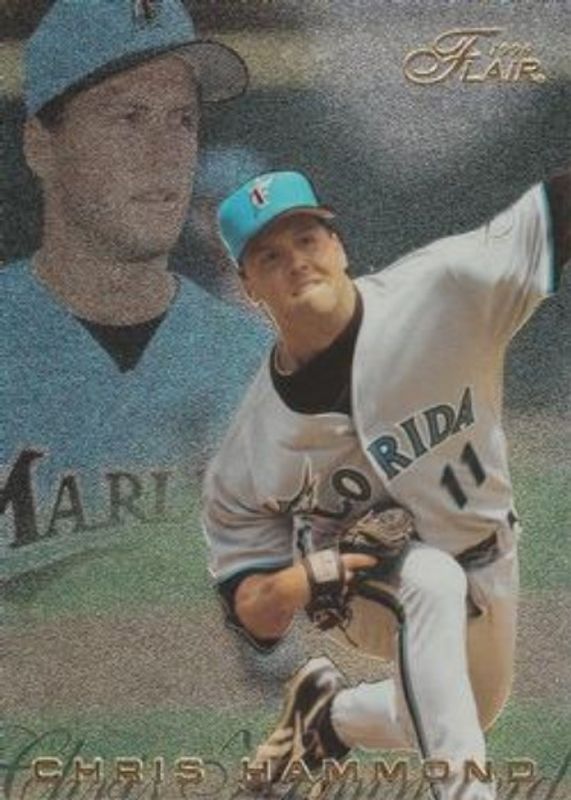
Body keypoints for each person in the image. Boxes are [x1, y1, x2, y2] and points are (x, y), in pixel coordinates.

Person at [203, 169, 570, 799]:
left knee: (466, 707)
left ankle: (329, 718)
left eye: (307, 238)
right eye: (269, 256)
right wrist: (307, 576)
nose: (295, 262)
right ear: (248, 285)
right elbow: (255, 612)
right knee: (429, 577)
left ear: (339, 245)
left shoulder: (446, 288)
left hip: (490, 548)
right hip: (363, 592)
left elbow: (558, 208)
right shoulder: (251, 449)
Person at [1, 0, 266, 577]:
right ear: (40, 146)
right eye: (128, 117)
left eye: (183, 120)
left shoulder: (252, 358)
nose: (167, 153)